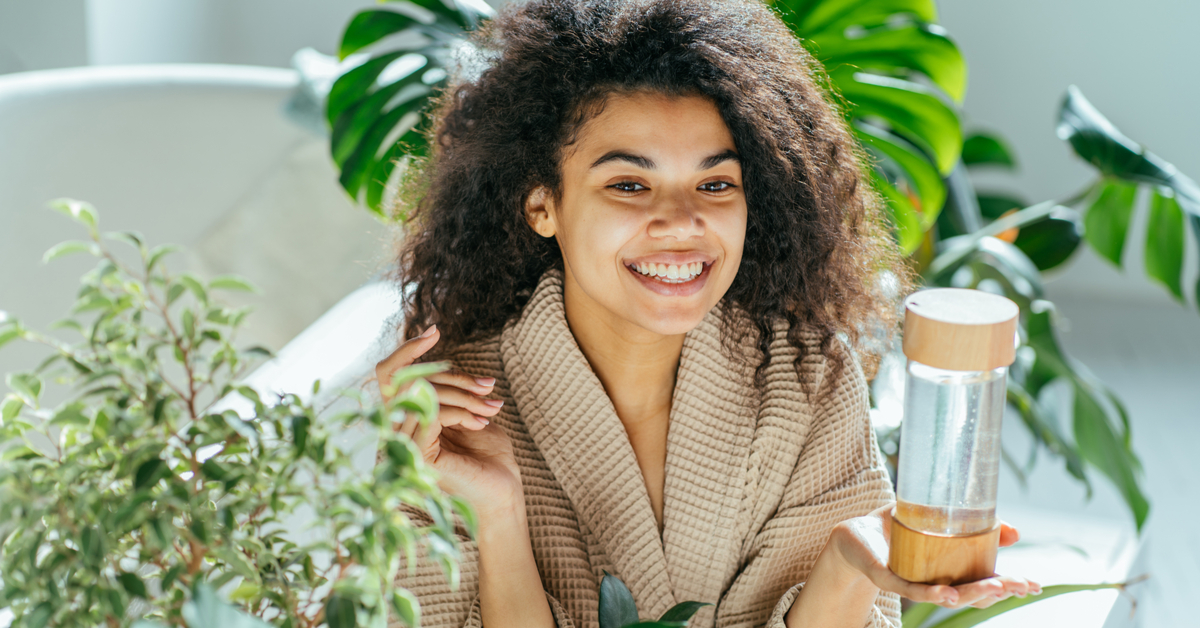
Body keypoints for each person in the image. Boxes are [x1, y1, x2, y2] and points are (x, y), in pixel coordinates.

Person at [372, 0, 1038, 626]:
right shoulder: (453, 409)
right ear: (542, 204)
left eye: (716, 183)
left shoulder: (806, 380)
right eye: (629, 184)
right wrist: (497, 514)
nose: (682, 223)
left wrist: (845, 571)